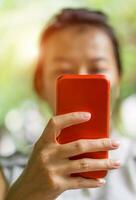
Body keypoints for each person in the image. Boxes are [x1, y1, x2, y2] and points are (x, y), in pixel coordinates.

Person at [1, 8, 136, 200]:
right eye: (63, 70)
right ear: (39, 85)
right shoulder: (7, 175)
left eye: (97, 68)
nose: (82, 78)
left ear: (119, 80)